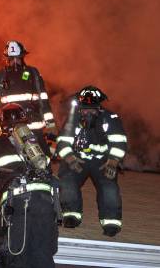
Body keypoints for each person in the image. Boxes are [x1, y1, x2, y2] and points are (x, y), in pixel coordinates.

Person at [0, 103, 59, 268]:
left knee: (15, 257)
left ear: (3, 125)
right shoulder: (39, 140)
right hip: (46, 206)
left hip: (18, 207)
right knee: (43, 258)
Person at [56, 86, 127, 237]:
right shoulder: (72, 119)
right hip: (77, 159)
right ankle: (71, 215)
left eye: (92, 109)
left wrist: (113, 161)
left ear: (99, 108)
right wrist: (70, 158)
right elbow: (63, 142)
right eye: (85, 109)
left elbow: (119, 142)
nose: (88, 113)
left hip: (103, 162)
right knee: (67, 181)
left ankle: (111, 222)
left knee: (109, 187)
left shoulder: (110, 118)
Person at [0, 40, 57, 155]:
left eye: (17, 58)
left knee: (42, 157)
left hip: (33, 124)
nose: (15, 62)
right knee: (13, 157)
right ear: (7, 59)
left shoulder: (33, 73)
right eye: (12, 59)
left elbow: (43, 99)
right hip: (11, 126)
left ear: (22, 57)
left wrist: (51, 125)